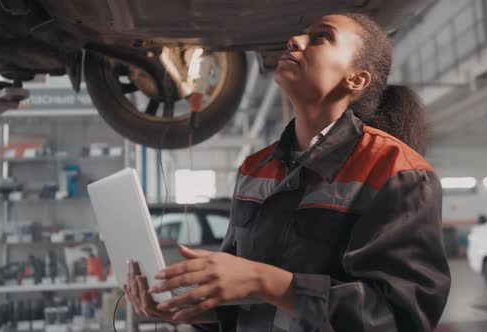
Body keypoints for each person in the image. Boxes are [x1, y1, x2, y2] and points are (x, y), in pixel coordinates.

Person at [125, 13, 451, 332]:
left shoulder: (397, 171)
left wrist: (263, 281)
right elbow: (243, 307)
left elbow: (397, 317)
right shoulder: (256, 168)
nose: (294, 40)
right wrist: (184, 306)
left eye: (322, 37)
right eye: (301, 34)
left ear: (356, 79)